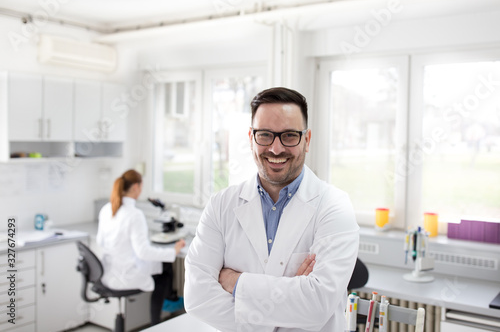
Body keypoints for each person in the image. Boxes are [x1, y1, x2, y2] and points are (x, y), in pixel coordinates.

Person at [184, 87, 360, 331]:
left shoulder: (335, 207)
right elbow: (197, 298)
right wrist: (289, 302)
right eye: (265, 135)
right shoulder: (221, 205)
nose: (276, 149)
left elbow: (318, 305)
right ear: (251, 138)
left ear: (306, 140)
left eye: (289, 136)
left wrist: (236, 282)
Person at [97, 169, 185, 326]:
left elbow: (100, 241)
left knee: (161, 266)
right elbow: (143, 252)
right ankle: (156, 324)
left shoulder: (106, 209)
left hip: (108, 273)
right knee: (165, 270)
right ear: (136, 187)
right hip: (125, 276)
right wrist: (173, 251)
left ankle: (164, 311)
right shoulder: (134, 214)